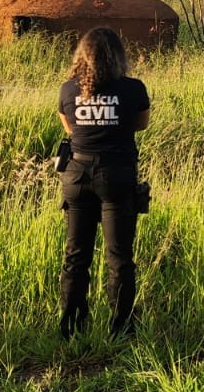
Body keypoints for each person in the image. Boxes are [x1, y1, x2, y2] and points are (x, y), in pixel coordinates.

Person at [57, 26, 150, 339]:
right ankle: (121, 330)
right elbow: (141, 124)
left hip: (76, 174)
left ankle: (71, 328)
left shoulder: (68, 89)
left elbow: (70, 129)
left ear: (81, 55)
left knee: (76, 254)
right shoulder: (134, 89)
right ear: (119, 56)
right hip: (117, 175)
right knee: (120, 256)